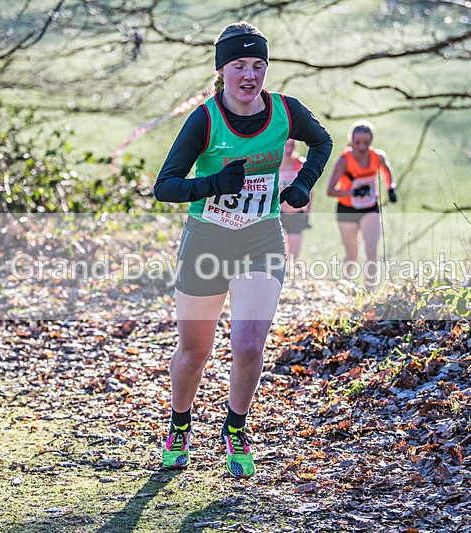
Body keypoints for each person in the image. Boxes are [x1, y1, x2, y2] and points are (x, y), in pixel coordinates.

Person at [154, 21, 332, 478]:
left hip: (261, 237)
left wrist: (304, 184)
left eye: (258, 65)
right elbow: (166, 186)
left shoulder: (287, 112)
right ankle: (179, 424)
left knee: (250, 345)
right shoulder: (205, 118)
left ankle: (235, 428)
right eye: (239, 66)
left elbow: (323, 141)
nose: (249, 75)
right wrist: (214, 183)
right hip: (207, 240)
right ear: (223, 70)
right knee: (195, 352)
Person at [326, 120, 397, 287]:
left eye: (366, 142)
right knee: (352, 254)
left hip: (370, 208)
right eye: (358, 143)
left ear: (371, 141)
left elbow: (387, 171)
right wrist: (352, 192)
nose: (362, 147)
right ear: (352, 141)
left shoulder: (377, 157)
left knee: (371, 250)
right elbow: (330, 191)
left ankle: (370, 289)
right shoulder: (344, 160)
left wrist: (391, 188)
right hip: (347, 210)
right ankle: (346, 285)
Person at [279, 139, 311, 264]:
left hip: (296, 214)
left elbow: (309, 191)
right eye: (286, 145)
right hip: (279, 213)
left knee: (294, 255)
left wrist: (308, 213)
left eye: (291, 145)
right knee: (277, 253)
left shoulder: (301, 164)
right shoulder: (275, 164)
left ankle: (291, 276)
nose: (289, 148)